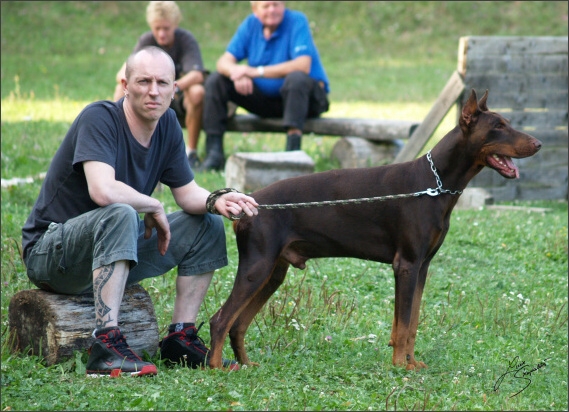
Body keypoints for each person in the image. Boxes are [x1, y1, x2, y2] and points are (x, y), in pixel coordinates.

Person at [22, 46, 258, 377]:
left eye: (163, 82)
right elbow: (102, 190)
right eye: (143, 81)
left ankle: (180, 338)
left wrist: (218, 198)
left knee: (206, 223)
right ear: (126, 84)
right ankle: (105, 345)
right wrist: (153, 204)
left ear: (176, 89)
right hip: (52, 255)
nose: (153, 91)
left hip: (112, 250)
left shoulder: (168, 124)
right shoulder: (100, 118)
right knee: (121, 212)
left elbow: (187, 192)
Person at [200, 0, 330, 171]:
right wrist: (237, 72)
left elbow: (303, 64)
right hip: (267, 101)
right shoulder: (250, 24)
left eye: (276, 4)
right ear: (255, 9)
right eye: (266, 6)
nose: (272, 10)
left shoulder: (297, 20)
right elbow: (223, 61)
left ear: (284, 5)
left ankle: (293, 155)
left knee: (296, 78)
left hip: (306, 101)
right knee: (216, 80)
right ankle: (214, 154)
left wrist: (256, 71)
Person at [112, 1, 206, 168]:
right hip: (150, 95)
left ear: (175, 25)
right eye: (157, 29)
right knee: (121, 89)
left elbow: (197, 74)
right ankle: (119, 142)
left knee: (197, 92)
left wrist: (173, 86)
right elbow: (123, 73)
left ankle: (190, 152)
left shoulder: (186, 40)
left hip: (178, 95)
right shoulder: (146, 40)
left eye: (166, 28)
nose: (161, 34)